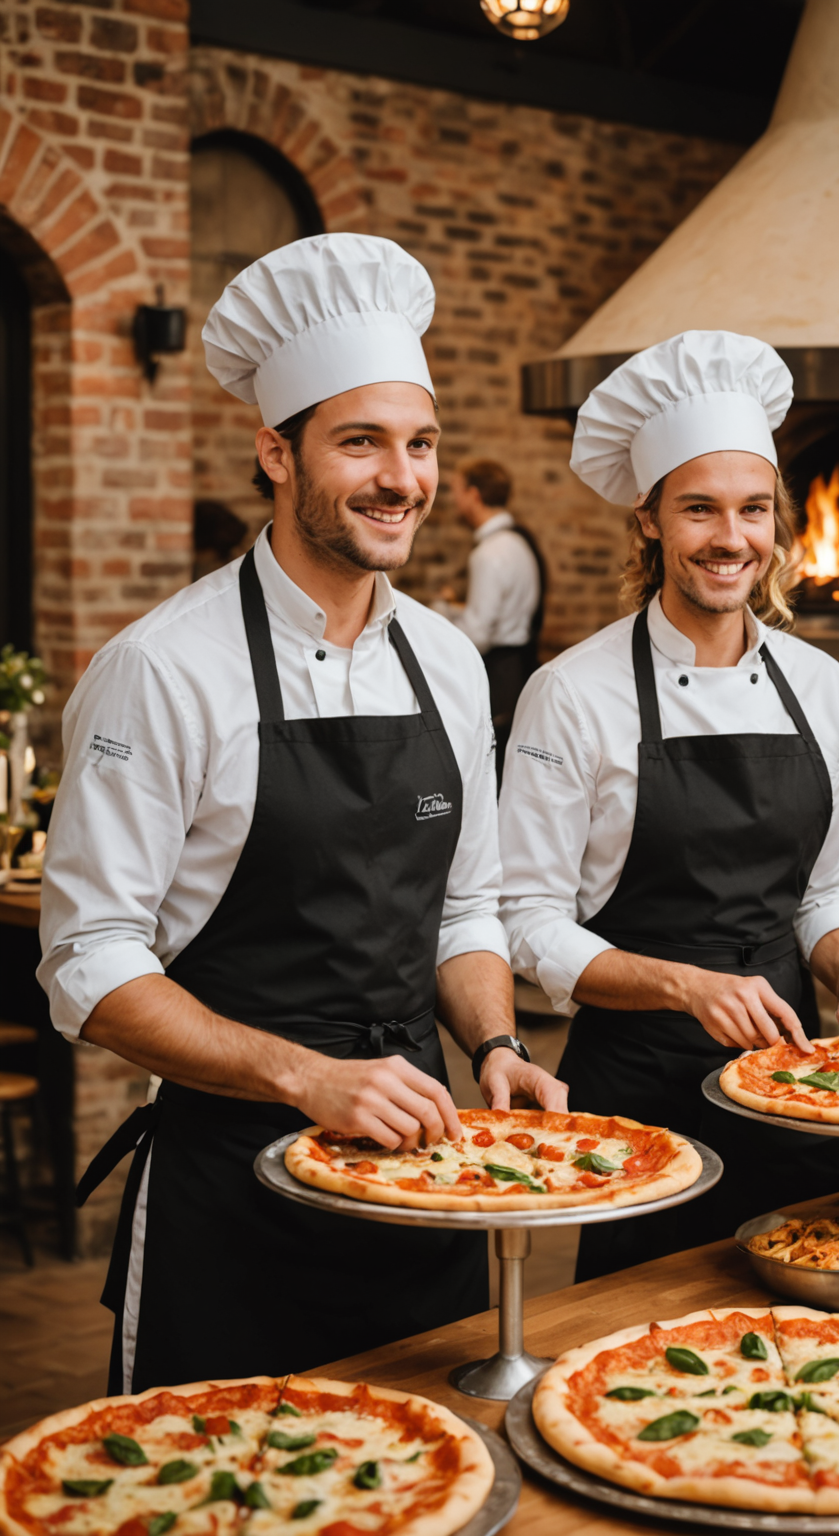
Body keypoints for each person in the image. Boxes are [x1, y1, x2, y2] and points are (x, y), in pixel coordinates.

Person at [42, 233, 565, 1394]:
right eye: (361, 442)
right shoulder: (163, 670)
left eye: (421, 443)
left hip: (424, 1178)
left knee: (429, 1477)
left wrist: (495, 1042)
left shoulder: (446, 660)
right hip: (233, 1195)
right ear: (275, 453)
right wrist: (306, 1078)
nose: (403, 478)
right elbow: (88, 965)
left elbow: (465, 906)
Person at [500, 330, 839, 1280]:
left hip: (802, 1076)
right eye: (700, 510)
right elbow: (527, 923)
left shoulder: (819, 683)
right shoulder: (573, 691)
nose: (732, 539)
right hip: (641, 1094)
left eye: (753, 510)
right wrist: (685, 985)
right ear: (648, 521)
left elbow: (832, 885)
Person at [438, 459, 544, 783]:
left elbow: (478, 635)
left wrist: (437, 619)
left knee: (489, 771)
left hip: (498, 674)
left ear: (473, 495)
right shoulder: (517, 541)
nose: (455, 501)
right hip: (517, 665)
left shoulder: (489, 553)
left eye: (456, 491)